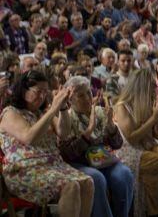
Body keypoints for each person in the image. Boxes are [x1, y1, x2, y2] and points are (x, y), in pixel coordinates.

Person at [0, 70, 94, 216]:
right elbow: (28, 137)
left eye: (45, 91)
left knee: (87, 182)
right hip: (24, 170)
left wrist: (62, 107)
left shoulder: (41, 113)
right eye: (38, 91)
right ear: (24, 90)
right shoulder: (10, 113)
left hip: (52, 167)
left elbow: (63, 133)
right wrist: (53, 109)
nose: (43, 96)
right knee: (70, 186)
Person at [59, 76, 134, 217]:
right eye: (81, 95)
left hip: (104, 160)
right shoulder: (67, 118)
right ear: (70, 99)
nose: (87, 98)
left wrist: (111, 127)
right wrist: (88, 132)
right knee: (97, 178)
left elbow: (117, 144)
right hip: (80, 163)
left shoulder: (100, 111)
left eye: (88, 92)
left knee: (124, 174)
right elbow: (67, 154)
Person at [113, 69, 158, 217]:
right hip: (130, 150)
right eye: (151, 86)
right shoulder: (122, 106)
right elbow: (131, 137)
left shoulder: (146, 104)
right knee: (155, 162)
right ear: (142, 87)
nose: (154, 90)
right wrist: (153, 118)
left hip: (148, 145)